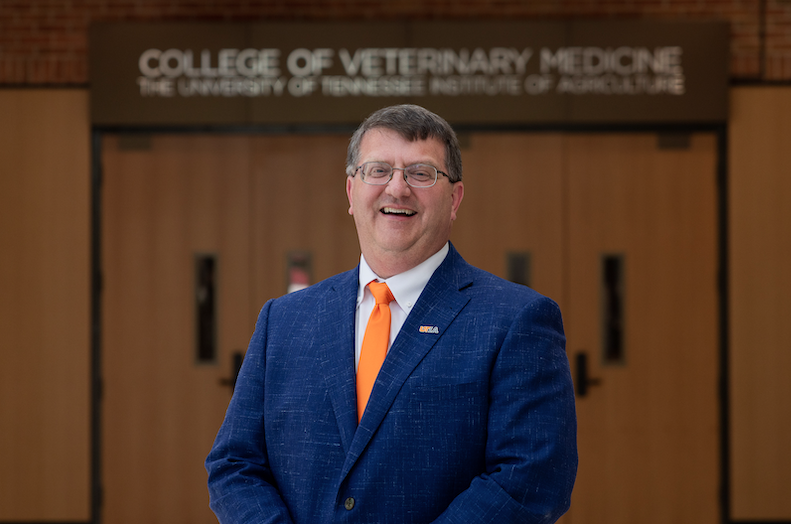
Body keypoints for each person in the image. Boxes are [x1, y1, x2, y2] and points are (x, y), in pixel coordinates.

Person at [205, 104, 577, 523]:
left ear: (454, 198)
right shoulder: (284, 320)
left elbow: (531, 480)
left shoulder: (517, 319)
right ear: (351, 192)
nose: (397, 188)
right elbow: (235, 465)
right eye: (377, 170)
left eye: (421, 173)